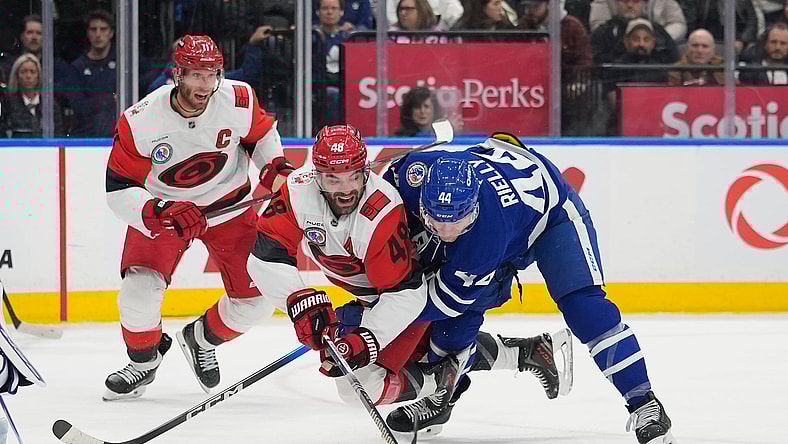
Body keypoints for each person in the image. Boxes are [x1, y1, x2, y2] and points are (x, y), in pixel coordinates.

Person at [246, 125, 567, 436]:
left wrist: (368, 336)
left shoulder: (380, 213)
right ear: (316, 175)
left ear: (365, 170)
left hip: (414, 295)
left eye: (353, 177)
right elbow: (264, 256)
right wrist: (299, 301)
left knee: (362, 385)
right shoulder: (297, 191)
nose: (344, 189)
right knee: (353, 373)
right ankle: (525, 352)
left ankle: (442, 383)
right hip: (379, 294)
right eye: (332, 178)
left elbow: (406, 294)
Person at [381, 133, 675, 443]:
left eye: (458, 223)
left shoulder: (484, 235)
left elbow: (446, 300)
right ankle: (442, 399)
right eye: (436, 222)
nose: (446, 233)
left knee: (585, 310)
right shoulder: (411, 174)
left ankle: (645, 403)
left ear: (475, 208)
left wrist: (377, 318)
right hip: (505, 192)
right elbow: (374, 205)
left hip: (551, 218)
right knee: (449, 334)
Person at [102, 35, 294, 401]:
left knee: (254, 303)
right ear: (177, 74)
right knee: (137, 294)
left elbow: (261, 134)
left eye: (211, 75)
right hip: (168, 214)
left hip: (229, 207)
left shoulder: (238, 98)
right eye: (195, 75)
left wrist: (274, 167)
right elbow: (118, 190)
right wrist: (159, 210)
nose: (204, 85)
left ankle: (201, 338)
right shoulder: (141, 120)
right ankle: (144, 362)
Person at [591, 0, 679, 64]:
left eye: (635, 1)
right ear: (616, 3)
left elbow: (673, 61)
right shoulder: (603, 33)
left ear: (644, 4)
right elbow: (598, 64)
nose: (630, 5)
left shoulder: (658, 32)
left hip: (655, 85)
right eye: (625, 1)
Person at [1, 53, 65, 137]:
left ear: (38, 76)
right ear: (17, 76)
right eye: (23, 72)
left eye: (32, 72)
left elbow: (58, 134)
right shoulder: (7, 103)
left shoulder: (50, 104)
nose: (28, 76)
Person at [589, 0, 687, 42]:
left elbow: (678, 23)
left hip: (656, 46)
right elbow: (598, 23)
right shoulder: (602, 2)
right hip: (614, 46)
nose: (630, 5)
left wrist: (654, 39)